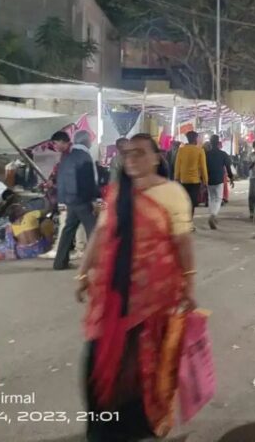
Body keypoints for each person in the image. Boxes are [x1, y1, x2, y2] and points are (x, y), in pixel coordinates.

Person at [75, 134, 195, 442]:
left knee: (142, 362)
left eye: (140, 153)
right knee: (99, 359)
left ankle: (136, 427)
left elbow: (182, 242)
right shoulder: (118, 192)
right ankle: (103, 429)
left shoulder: (172, 192)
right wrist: (83, 272)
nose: (132, 159)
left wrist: (189, 285)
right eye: (126, 154)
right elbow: (101, 234)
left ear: (157, 157)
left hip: (155, 295)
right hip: (112, 293)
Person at [53, 130, 99, 271]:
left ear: (63, 141)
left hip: (71, 200)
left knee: (68, 230)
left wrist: (62, 200)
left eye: (55, 143)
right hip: (81, 199)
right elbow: (89, 179)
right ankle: (97, 263)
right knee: (93, 231)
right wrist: (93, 198)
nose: (55, 146)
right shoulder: (80, 155)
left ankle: (60, 263)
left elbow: (63, 180)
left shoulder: (68, 157)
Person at [174, 131, 208, 216]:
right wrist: (205, 181)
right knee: (192, 202)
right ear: (195, 139)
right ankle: (190, 220)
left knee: (185, 201)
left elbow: (177, 165)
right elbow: (203, 167)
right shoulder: (200, 151)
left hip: (183, 180)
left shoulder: (181, 150)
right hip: (195, 181)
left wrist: (176, 178)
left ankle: (185, 218)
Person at [204, 135, 234, 230]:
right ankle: (213, 216)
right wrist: (231, 178)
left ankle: (213, 216)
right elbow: (228, 167)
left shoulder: (206, 154)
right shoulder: (223, 154)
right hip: (219, 179)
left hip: (209, 179)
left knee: (211, 198)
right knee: (218, 199)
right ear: (218, 143)